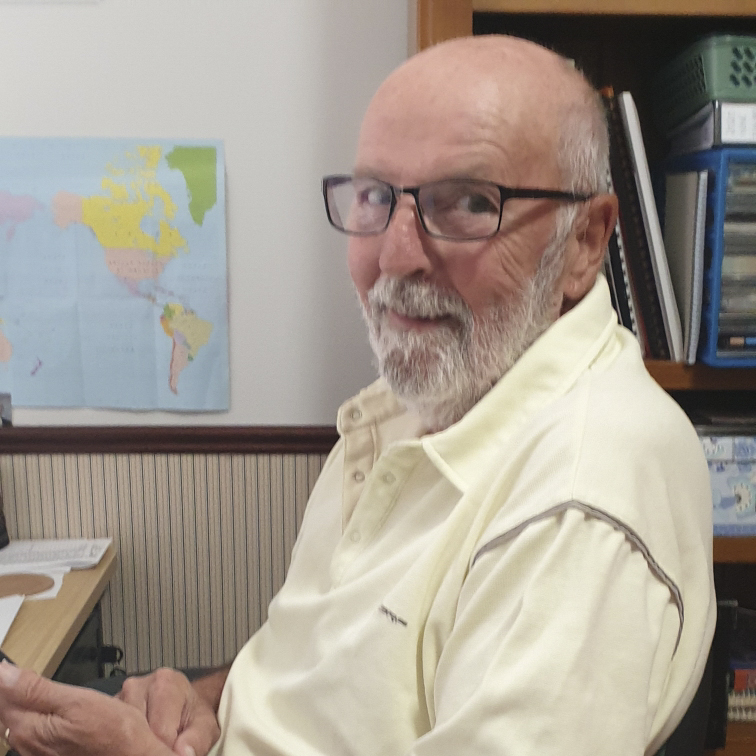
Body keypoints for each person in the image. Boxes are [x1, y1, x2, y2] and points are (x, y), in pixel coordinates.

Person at [0, 33, 715, 756]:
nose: (395, 256)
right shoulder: (435, 390)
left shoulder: (578, 504)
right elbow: (322, 661)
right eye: (375, 196)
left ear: (586, 241)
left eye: (468, 201)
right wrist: (205, 698)